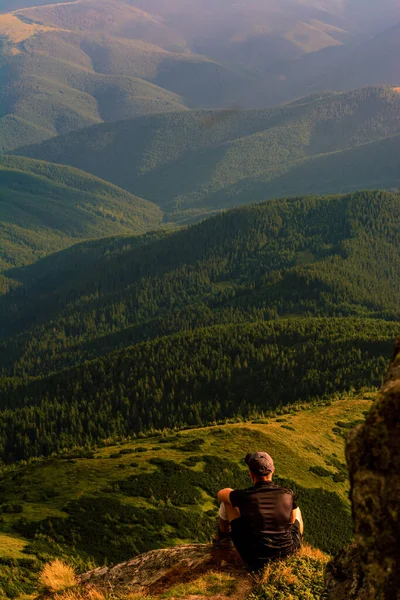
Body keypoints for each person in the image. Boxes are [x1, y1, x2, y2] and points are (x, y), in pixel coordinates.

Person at [216, 451, 303, 571]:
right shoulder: (287, 493)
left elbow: (221, 494)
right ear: (273, 470)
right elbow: (292, 521)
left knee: (227, 502)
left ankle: (223, 537)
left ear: (251, 474)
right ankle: (298, 546)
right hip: (286, 554)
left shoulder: (244, 496)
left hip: (253, 558)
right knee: (296, 509)